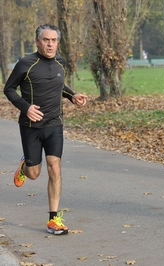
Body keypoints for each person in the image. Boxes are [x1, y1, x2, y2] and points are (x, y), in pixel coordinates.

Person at [3, 23, 88, 235]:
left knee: (55, 167)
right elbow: (9, 89)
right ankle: (25, 167)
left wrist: (72, 96)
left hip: (54, 124)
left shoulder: (61, 62)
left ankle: (53, 219)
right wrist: (26, 107)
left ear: (58, 42)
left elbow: (58, 85)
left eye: (54, 40)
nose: (50, 44)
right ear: (38, 42)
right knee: (34, 174)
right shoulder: (26, 63)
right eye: (46, 40)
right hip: (31, 126)